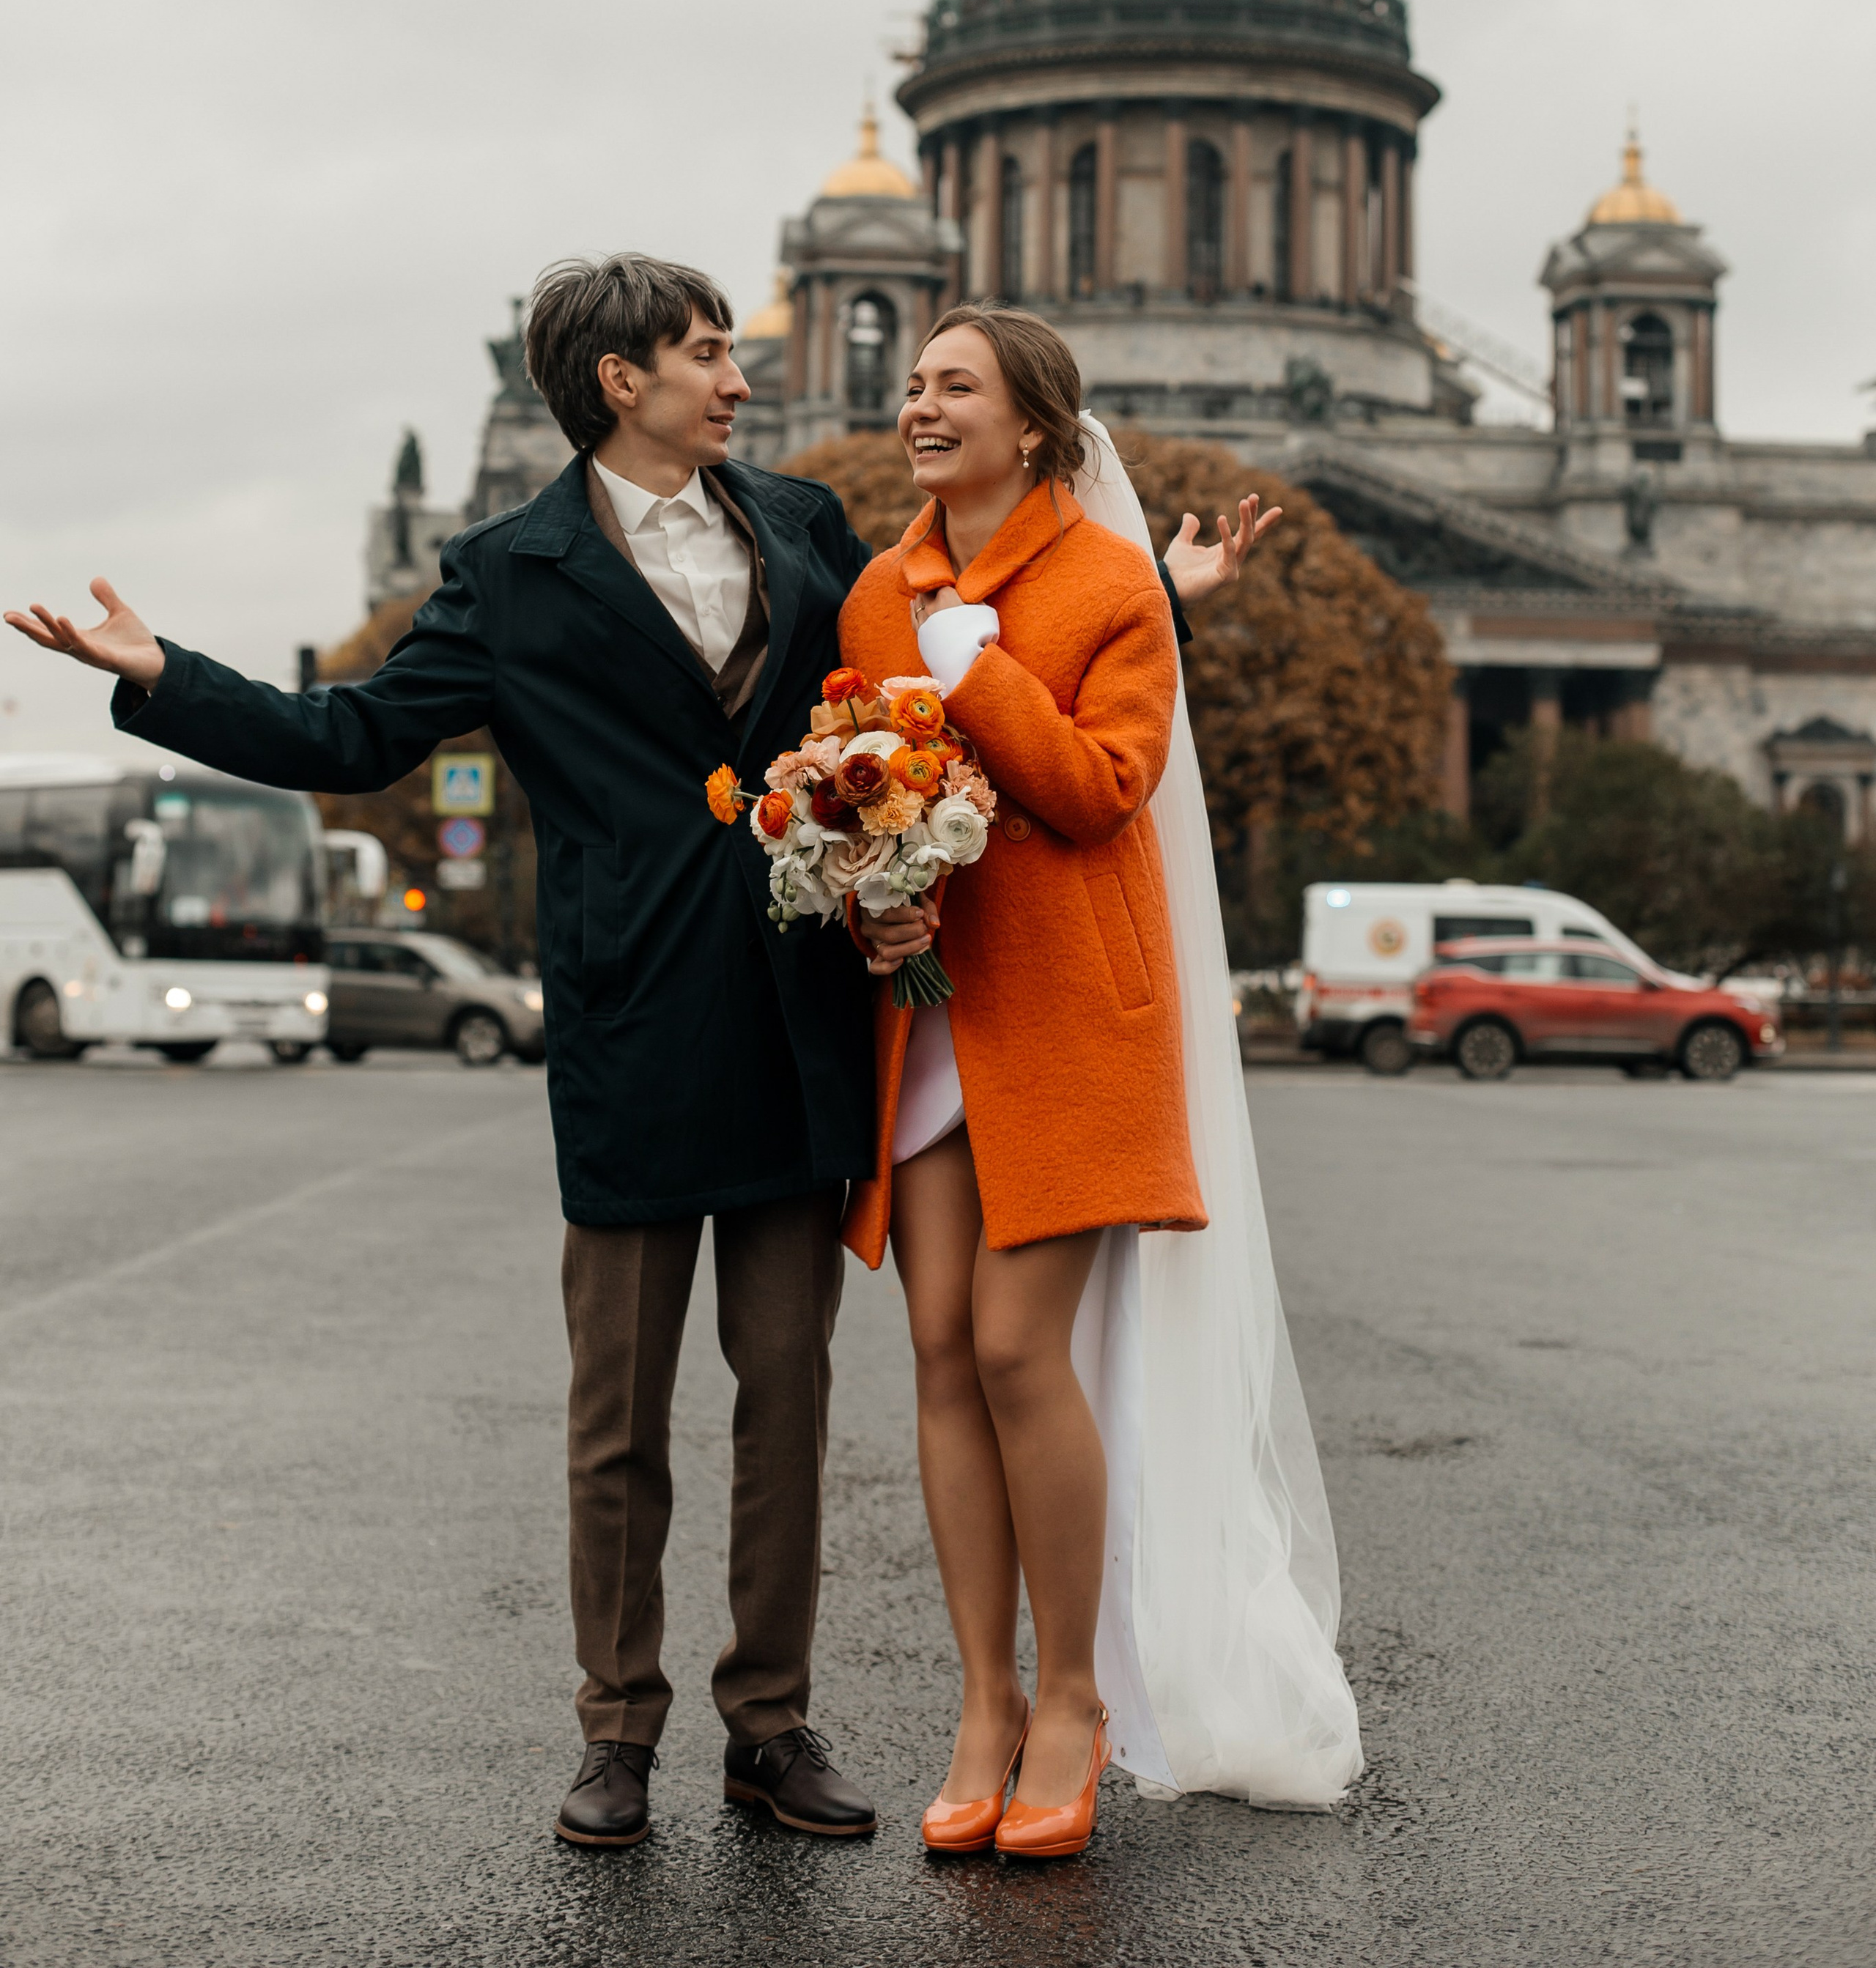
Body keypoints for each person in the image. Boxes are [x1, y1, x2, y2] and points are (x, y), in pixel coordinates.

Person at [7, 256, 1262, 1858]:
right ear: (620, 382)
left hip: (808, 1021)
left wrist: (1150, 587)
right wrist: (166, 677)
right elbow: (357, 738)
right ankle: (616, 1731)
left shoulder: (809, 531)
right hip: (627, 1029)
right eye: (708, 351)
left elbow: (957, 682)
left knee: (789, 1392)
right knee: (619, 1409)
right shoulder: (507, 573)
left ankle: (771, 1724)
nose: (742, 375)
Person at [846, 304, 1363, 1860]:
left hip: (1066, 1020)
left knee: (1015, 1353)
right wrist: (868, 880)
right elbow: (857, 775)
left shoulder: (1101, 582)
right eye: (915, 384)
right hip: (928, 1020)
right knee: (939, 1350)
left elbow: (1096, 792)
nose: (920, 408)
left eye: (955, 388)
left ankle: (1068, 1702)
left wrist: (976, 672)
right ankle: (981, 1709)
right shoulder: (880, 587)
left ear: (1035, 425)